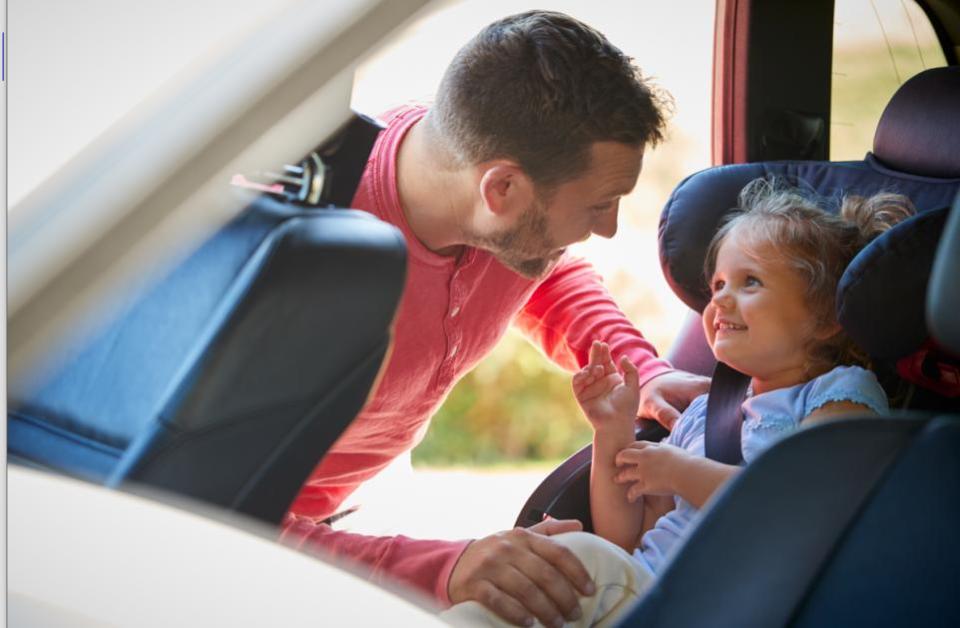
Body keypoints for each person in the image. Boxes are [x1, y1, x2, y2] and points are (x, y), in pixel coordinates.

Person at [279, 10, 709, 627]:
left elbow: (542, 272)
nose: (609, 228)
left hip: (325, 530)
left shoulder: (496, 215)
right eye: (598, 204)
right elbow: (193, 518)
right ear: (501, 190)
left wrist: (637, 366)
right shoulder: (288, 261)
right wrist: (446, 568)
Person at [441, 179, 915, 626]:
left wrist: (678, 472)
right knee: (535, 568)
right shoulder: (705, 414)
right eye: (718, 286)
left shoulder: (838, 393)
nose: (722, 301)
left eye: (751, 282)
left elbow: (805, 507)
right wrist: (613, 434)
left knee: (574, 564)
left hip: (722, 604)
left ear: (827, 315)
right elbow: (625, 536)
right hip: (644, 590)